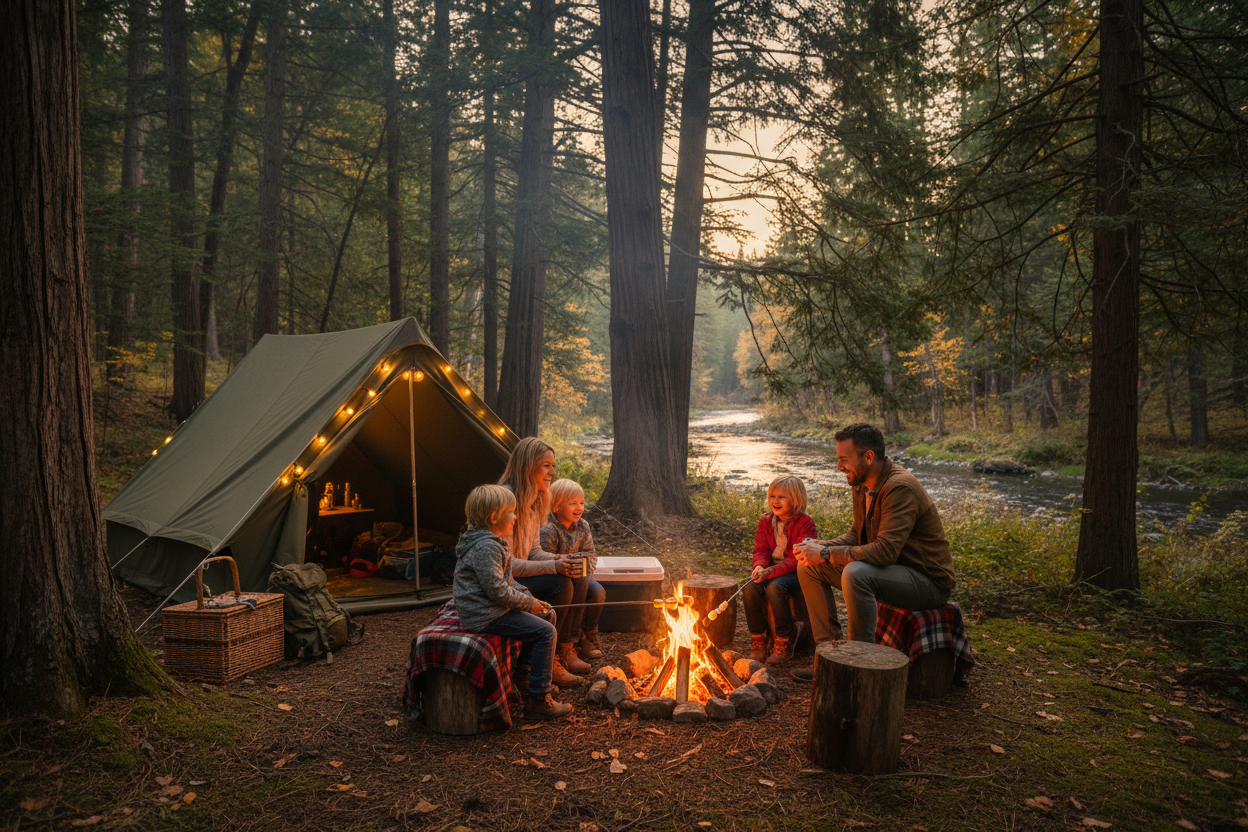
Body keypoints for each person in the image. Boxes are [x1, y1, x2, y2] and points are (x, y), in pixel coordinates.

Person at [791, 422, 955, 682]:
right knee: (807, 566)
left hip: (926, 580)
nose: (838, 467)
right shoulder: (862, 483)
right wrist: (821, 547)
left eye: (844, 460)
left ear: (868, 457)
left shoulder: (900, 488)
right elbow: (858, 536)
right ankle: (829, 657)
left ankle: (858, 666)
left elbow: (885, 552)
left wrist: (824, 553)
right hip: (891, 572)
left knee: (856, 573)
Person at [453, 484, 572, 719]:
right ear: (494, 516)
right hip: (484, 614)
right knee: (546, 632)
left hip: (491, 608)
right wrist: (528, 604)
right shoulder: (486, 547)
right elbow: (498, 591)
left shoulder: (492, 541)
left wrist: (531, 598)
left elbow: (507, 580)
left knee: (547, 614)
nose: (516, 516)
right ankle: (539, 699)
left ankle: (526, 678)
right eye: (512, 511)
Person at [497, 437, 588, 686]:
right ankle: (548, 663)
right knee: (561, 583)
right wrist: (554, 566)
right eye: (546, 465)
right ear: (528, 466)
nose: (553, 472)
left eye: (553, 465)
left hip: (521, 574)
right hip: (504, 582)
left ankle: (564, 650)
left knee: (577, 574)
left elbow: (533, 550)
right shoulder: (505, 501)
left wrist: (562, 559)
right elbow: (508, 565)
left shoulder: (536, 501)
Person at [742, 475, 817, 665]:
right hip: (772, 568)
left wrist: (770, 572)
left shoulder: (805, 522)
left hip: (797, 570)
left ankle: (784, 639)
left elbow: (795, 560)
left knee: (775, 587)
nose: (775, 501)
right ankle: (758, 638)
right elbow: (761, 549)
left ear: (796, 499)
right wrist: (759, 566)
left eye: (782, 497)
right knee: (750, 587)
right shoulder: (766, 520)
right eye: (772, 496)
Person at [540, 479, 606, 662]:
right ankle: (567, 643)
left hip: (579, 575)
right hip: (557, 577)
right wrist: (573, 570)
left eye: (582, 503)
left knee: (598, 593)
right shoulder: (549, 529)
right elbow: (545, 561)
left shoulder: (583, 525)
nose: (579, 508)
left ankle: (587, 634)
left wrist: (586, 569)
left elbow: (591, 555)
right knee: (578, 582)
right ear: (556, 507)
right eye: (573, 503)